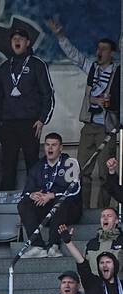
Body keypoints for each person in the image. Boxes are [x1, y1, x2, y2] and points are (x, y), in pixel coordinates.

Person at [50, 20, 119, 210]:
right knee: (81, 169)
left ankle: (103, 211)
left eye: (104, 49)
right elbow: (76, 57)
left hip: (108, 127)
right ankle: (82, 209)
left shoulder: (118, 72)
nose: (100, 52)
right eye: (98, 48)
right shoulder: (92, 69)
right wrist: (60, 37)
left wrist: (110, 103)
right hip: (89, 126)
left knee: (106, 172)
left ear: (111, 52)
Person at [0, 26, 56, 192]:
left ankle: (34, 194)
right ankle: (5, 195)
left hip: (30, 121)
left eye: (21, 39)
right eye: (14, 39)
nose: (17, 41)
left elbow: (48, 93)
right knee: (8, 161)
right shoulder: (3, 68)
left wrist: (43, 119)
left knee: (32, 160)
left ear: (27, 42)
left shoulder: (37, 65)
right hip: (8, 122)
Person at [18, 134, 82, 258]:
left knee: (60, 200)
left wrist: (52, 195)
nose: (50, 148)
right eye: (47, 145)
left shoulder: (70, 163)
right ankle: (38, 246)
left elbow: (75, 190)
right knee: (23, 204)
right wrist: (33, 195)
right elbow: (25, 193)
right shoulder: (38, 167)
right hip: (46, 211)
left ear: (61, 148)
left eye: (54, 145)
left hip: (69, 210)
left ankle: (54, 245)